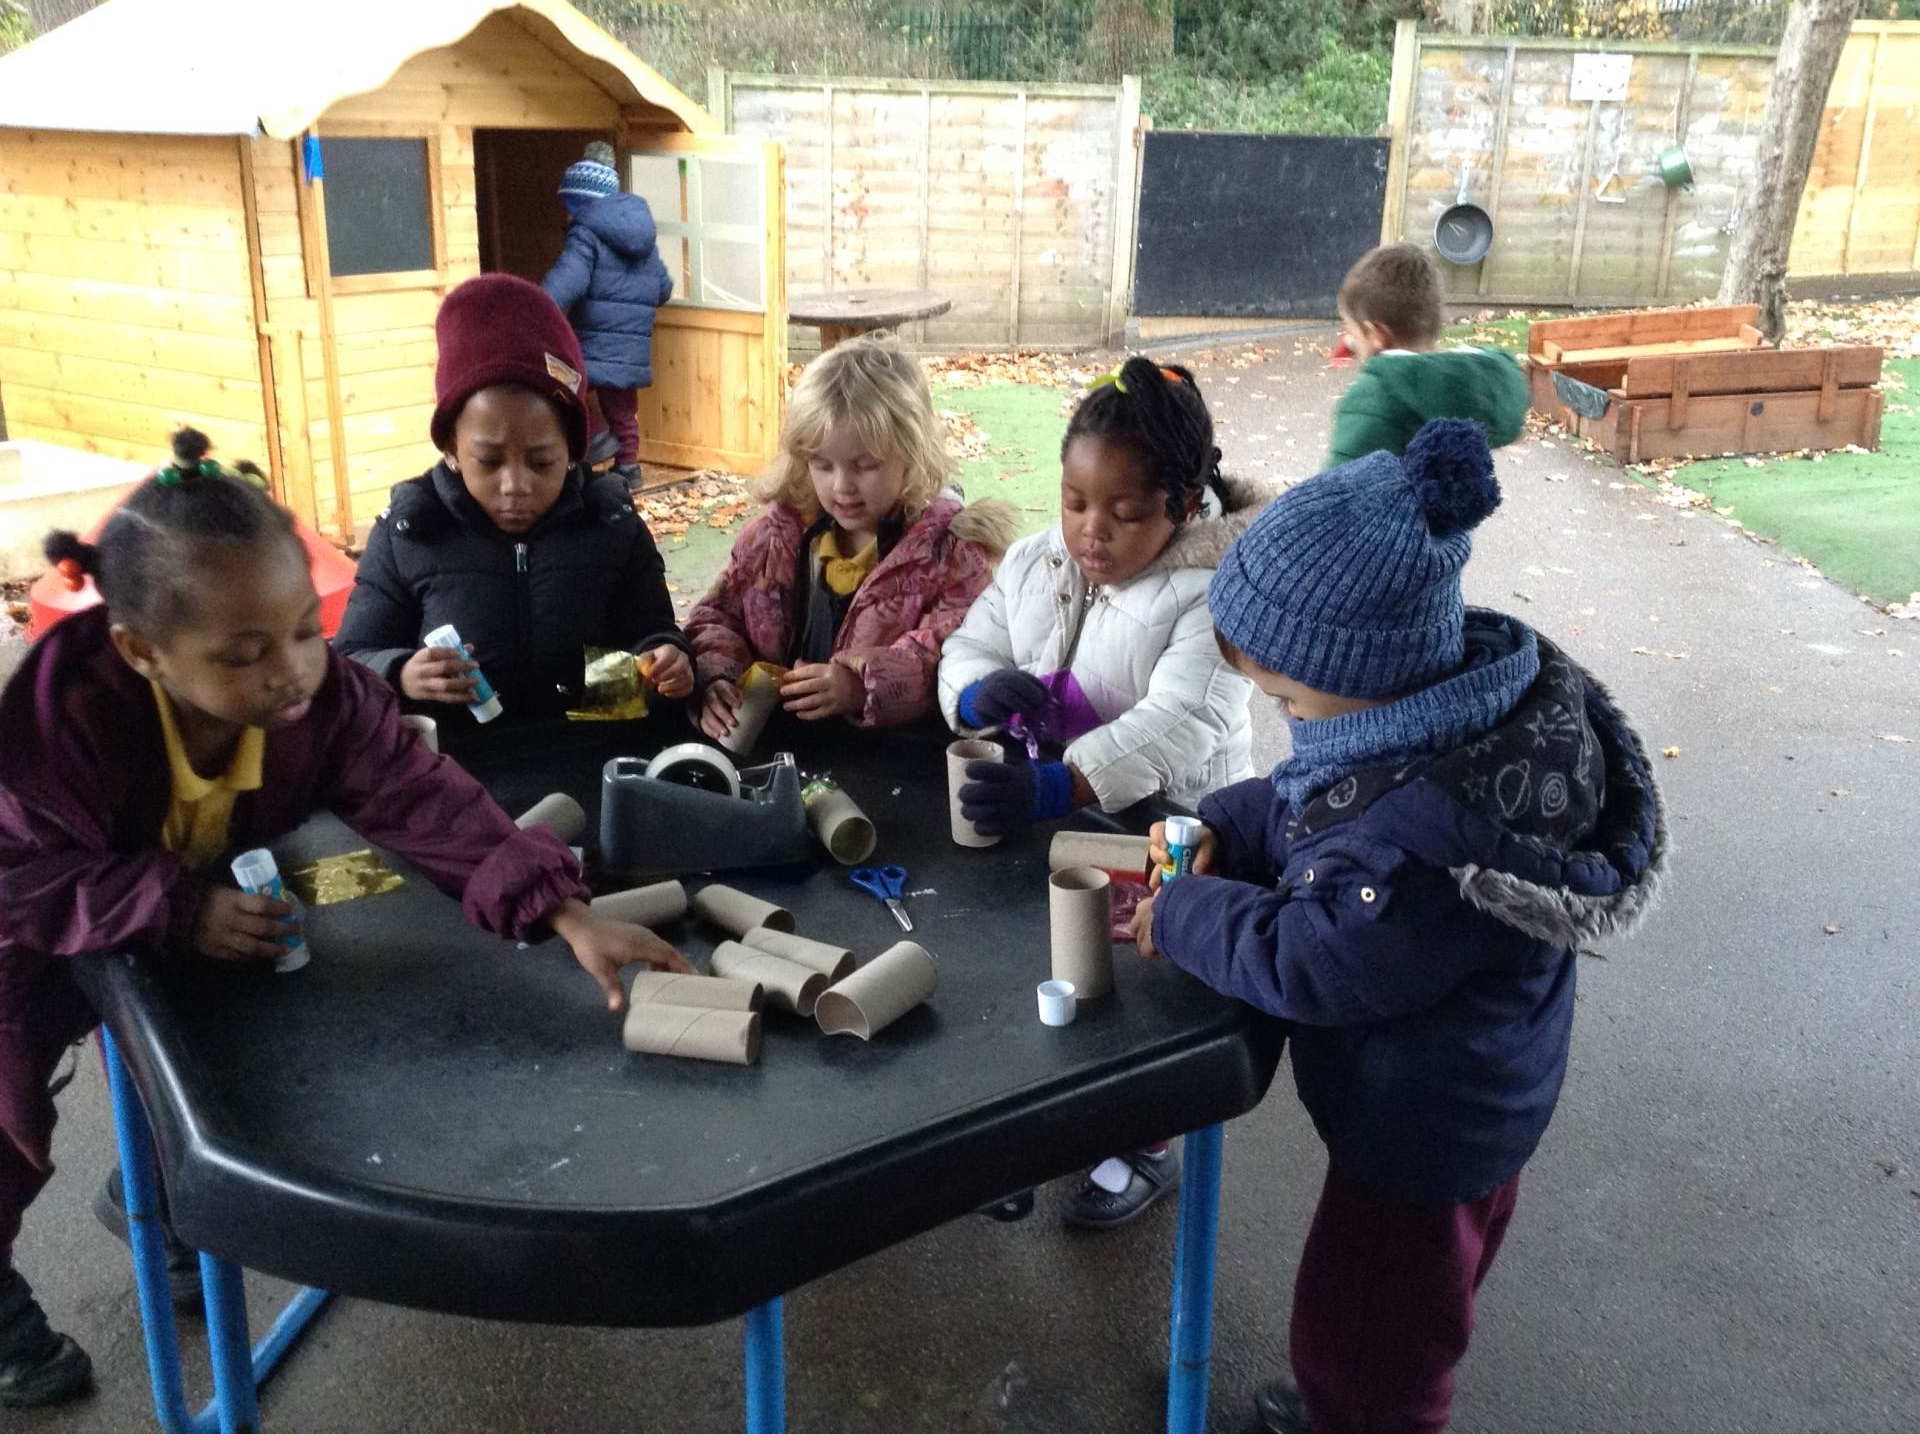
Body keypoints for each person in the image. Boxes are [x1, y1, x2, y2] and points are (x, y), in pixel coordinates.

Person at [0, 439, 691, 1409]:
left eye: (302, 632)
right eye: (245, 655)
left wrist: (564, 911)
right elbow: (21, 872)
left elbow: (418, 793)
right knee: (5, 1123)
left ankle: (157, 1196)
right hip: (27, 932)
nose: (291, 673)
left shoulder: (319, 697)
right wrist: (179, 907)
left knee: (194, 1056)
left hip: (179, 890)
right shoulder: (59, 718)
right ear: (141, 652)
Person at [1132, 419, 1669, 1434]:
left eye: (1288, 700)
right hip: (1473, 1093)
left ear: (1365, 670)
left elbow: (1313, 959)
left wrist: (1189, 910)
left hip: (1425, 1134)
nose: (1286, 720)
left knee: (1367, 1341)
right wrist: (1226, 826)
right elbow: (1311, 799)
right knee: (1409, 1312)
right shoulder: (1434, 720)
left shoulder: (1422, 840)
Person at [937, 355, 1273, 1227]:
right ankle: (1035, 1127)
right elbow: (971, 642)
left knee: (1146, 988)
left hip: (1173, 824)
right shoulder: (1035, 562)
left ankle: (1145, 1141)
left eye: (1124, 515)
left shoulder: (1219, 594)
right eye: (1074, 502)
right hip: (1057, 805)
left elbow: (1182, 719)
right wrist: (973, 694)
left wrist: (1062, 781)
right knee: (1053, 965)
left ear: (1184, 503)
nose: (1091, 532)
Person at [334, 274, 692, 742]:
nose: (515, 486)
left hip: (589, 752)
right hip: (455, 764)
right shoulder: (411, 531)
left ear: (572, 451)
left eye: (543, 462)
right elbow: (349, 662)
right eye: (489, 461)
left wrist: (665, 656)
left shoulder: (610, 522)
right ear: (451, 449)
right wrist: (401, 673)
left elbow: (652, 631)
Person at [686, 334, 1015, 737]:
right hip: (775, 748)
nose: (842, 486)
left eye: (865, 465)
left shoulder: (950, 556)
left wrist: (861, 687)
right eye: (822, 464)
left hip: (888, 756)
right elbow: (718, 616)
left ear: (912, 454)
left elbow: (953, 655)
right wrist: (717, 680)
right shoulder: (770, 540)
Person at [1327, 243, 1529, 466]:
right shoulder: (1485, 380)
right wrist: (1358, 342)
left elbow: (1336, 481)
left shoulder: (1375, 397)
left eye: (1352, 330)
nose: (1350, 337)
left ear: (1377, 335)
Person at [541, 140, 673, 471]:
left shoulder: (585, 234)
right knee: (623, 410)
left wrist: (536, 305)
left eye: (568, 205)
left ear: (581, 203)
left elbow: (568, 281)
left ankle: (594, 440)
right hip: (630, 347)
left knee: (565, 387)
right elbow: (664, 288)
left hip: (591, 341)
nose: (566, 214)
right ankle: (628, 468)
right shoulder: (644, 239)